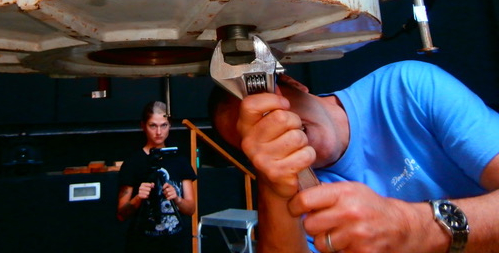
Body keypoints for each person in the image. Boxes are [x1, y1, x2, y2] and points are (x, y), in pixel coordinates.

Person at [210, 60, 499, 253]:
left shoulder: (408, 88)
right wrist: (273, 188)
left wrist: (415, 227)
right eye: (254, 137)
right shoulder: (298, 202)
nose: (275, 130)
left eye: (269, 113)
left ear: (294, 84)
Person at [117, 100, 197, 253]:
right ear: (143, 126)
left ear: (170, 126)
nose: (159, 132)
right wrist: (138, 198)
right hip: (142, 244)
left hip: (176, 244)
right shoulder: (133, 162)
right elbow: (121, 214)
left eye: (164, 125)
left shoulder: (180, 160)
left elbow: (191, 209)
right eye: (153, 126)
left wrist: (177, 199)